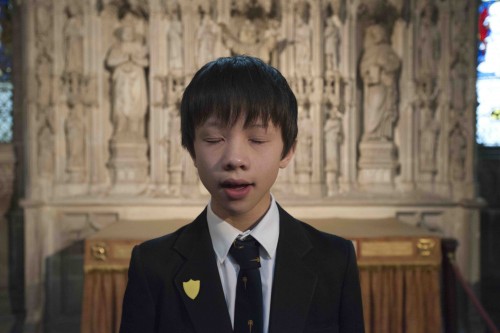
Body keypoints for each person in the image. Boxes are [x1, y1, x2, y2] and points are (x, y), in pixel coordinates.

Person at [119, 55, 365, 333]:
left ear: (288, 150)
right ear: (191, 149)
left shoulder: (334, 261)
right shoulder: (153, 266)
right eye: (214, 140)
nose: (235, 158)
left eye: (257, 140)